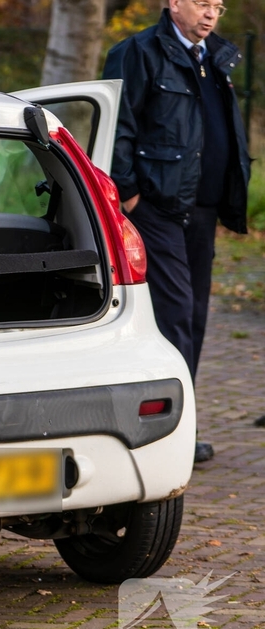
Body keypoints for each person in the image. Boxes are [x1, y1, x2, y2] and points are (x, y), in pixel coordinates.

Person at [103, 0, 251, 463]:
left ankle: (180, 420)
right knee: (174, 313)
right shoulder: (138, 51)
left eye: (219, 7)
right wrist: (130, 196)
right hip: (156, 210)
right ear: (173, 2)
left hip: (201, 211)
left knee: (196, 318)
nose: (211, 14)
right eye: (203, 3)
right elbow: (119, 127)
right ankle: (174, 432)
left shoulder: (214, 60)